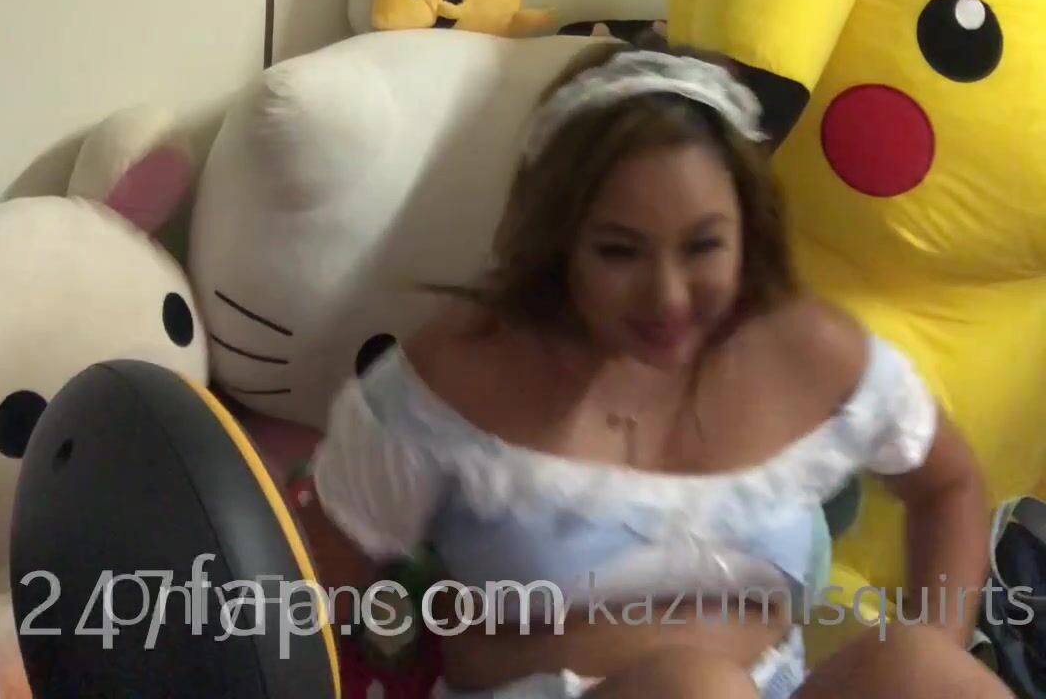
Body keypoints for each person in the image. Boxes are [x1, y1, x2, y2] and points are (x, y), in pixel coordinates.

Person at [303, 37, 1008, 698]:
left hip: (768, 686)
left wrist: (937, 634)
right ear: (559, 241)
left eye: (703, 247)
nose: (668, 297)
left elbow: (948, 486)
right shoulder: (454, 375)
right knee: (695, 688)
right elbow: (306, 588)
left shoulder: (810, 350)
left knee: (920, 667)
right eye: (619, 252)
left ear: (747, 231)